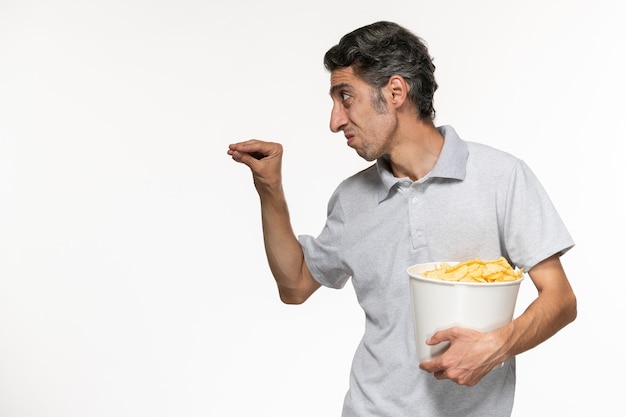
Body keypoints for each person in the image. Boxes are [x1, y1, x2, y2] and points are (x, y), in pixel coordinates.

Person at [227, 21, 577, 417]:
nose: (335, 121)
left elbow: (561, 299)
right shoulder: (350, 199)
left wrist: (498, 344)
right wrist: (269, 189)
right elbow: (294, 286)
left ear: (395, 92)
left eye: (346, 97)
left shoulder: (501, 176)